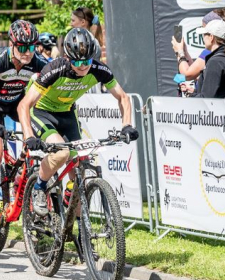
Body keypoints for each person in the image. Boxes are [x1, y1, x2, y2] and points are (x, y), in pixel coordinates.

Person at [18, 28, 138, 215]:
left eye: (87, 61)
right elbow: (24, 105)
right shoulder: (55, 69)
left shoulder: (99, 70)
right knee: (61, 153)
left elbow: (123, 97)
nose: (83, 66)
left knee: (80, 166)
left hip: (67, 114)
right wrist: (28, 136)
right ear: (67, 58)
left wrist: (127, 125)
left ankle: (79, 233)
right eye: (77, 62)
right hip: (42, 113)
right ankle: (39, 188)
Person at [0, 20, 48, 239]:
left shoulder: (37, 62)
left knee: (42, 146)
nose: (27, 53)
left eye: (32, 47)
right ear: (12, 44)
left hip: (19, 105)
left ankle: (29, 191)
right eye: (22, 47)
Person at [195, 19, 225, 98]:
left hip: (216, 110)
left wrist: (190, 99)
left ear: (211, 37)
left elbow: (207, 99)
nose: (203, 38)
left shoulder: (215, 62)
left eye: (204, 34)